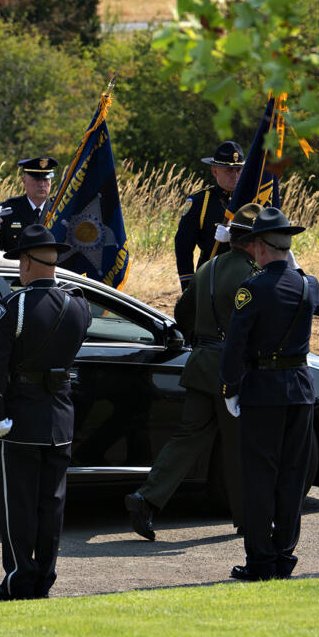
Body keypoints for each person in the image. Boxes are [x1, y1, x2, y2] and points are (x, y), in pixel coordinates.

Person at [123, 204, 263, 540]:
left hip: (201, 364)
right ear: (255, 240)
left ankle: (147, 498)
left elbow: (182, 311)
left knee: (187, 439)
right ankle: (248, 518)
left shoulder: (208, 268)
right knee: (238, 446)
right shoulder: (253, 275)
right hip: (233, 371)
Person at [0, 224, 92, 601]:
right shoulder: (78, 304)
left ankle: (19, 577)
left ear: (27, 262)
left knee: (19, 503)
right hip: (60, 415)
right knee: (52, 503)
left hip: (21, 415)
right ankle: (44, 575)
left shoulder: (13, 307)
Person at [220, 207, 319, 581]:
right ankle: (284, 554)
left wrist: (230, 388)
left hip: (263, 391)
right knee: (292, 476)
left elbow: (235, 346)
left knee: (259, 477)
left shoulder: (253, 288)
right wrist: (297, 269)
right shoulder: (306, 283)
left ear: (261, 247)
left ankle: (261, 560)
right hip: (299, 389)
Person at [175, 140, 244, 290]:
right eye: (229, 170)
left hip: (245, 279)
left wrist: (234, 238)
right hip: (212, 279)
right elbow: (183, 246)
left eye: (238, 170)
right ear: (214, 171)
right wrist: (188, 286)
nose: (235, 175)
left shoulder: (251, 201)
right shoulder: (200, 201)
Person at [0, 156, 58, 253]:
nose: (42, 185)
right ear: (24, 181)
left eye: (46, 180)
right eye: (37, 180)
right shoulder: (8, 210)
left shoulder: (58, 209)